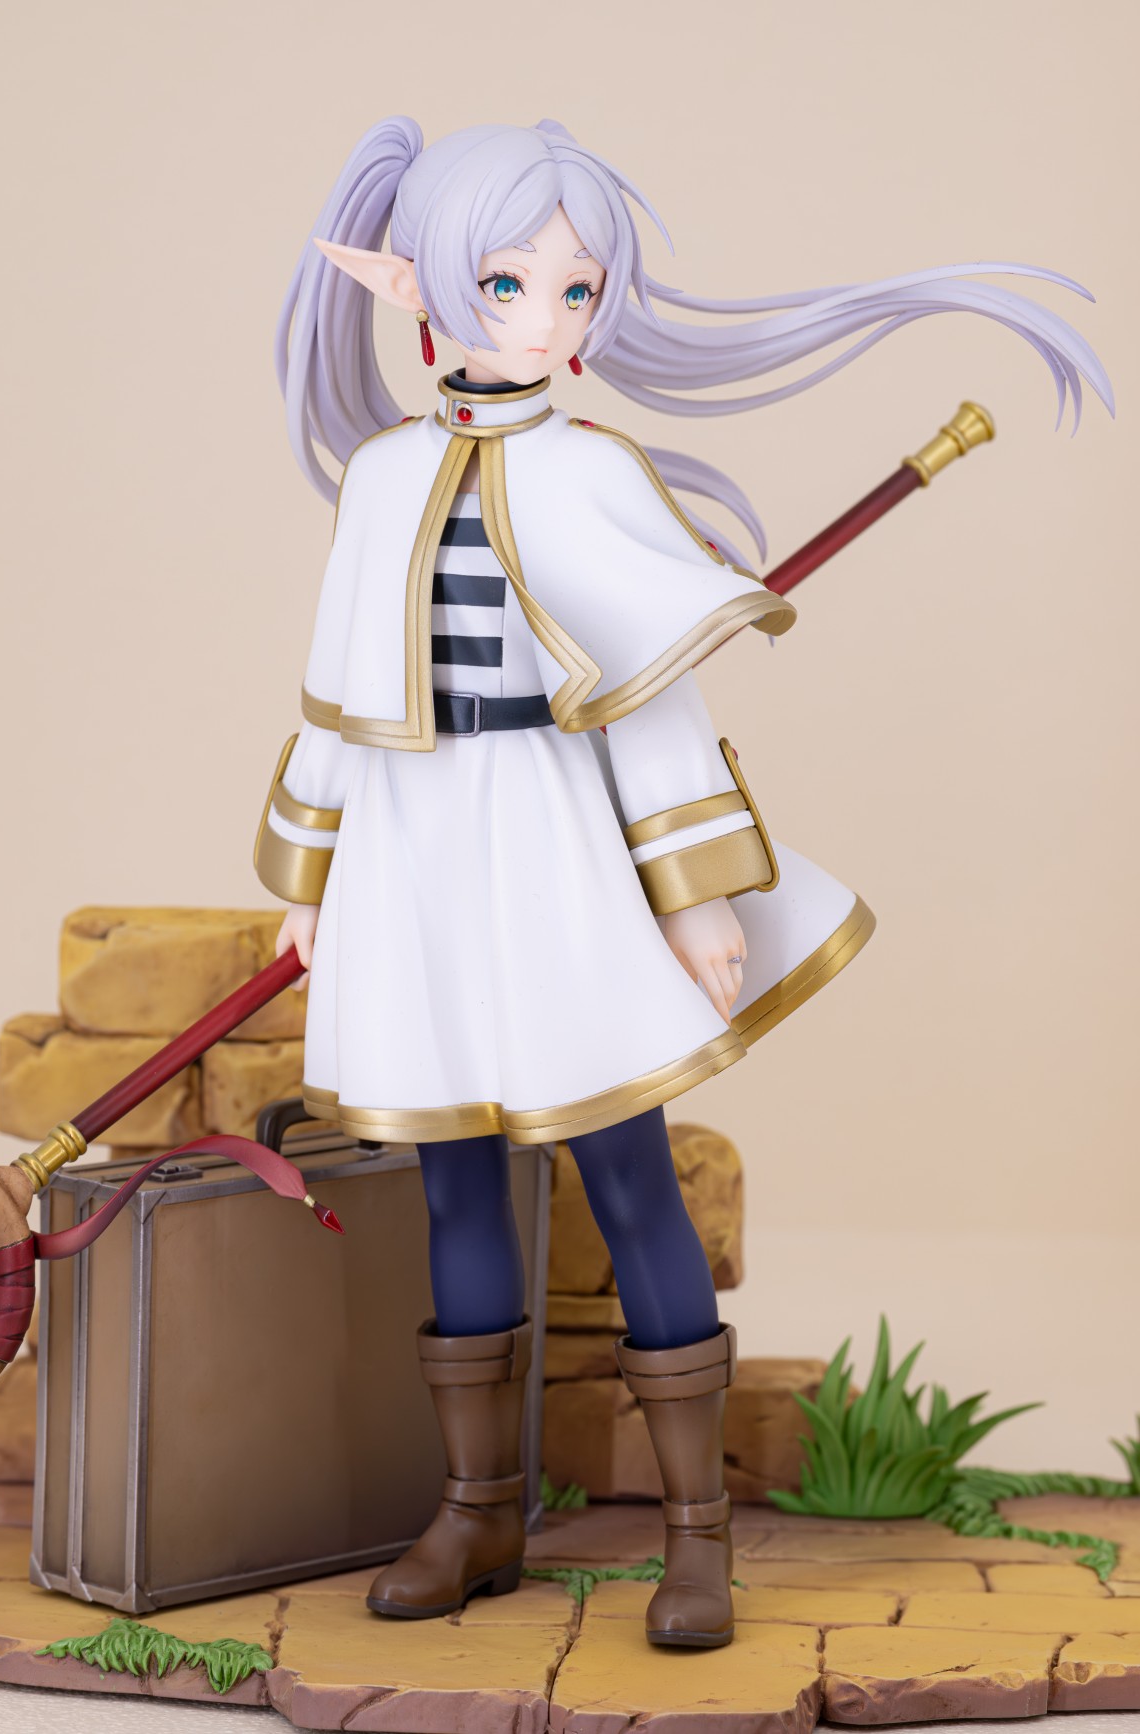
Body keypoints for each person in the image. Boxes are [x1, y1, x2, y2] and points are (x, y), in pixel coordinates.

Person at [254, 117, 1111, 1648]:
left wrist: (696, 893)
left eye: (576, 290)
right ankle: (479, 1509)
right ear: (416, 283)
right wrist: (311, 875)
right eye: (510, 283)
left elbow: (652, 704)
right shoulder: (382, 477)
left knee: (625, 1164)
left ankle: (695, 1537)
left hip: (558, 849)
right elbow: (338, 695)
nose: (548, 319)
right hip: (417, 854)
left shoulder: (593, 472)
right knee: (455, 1174)